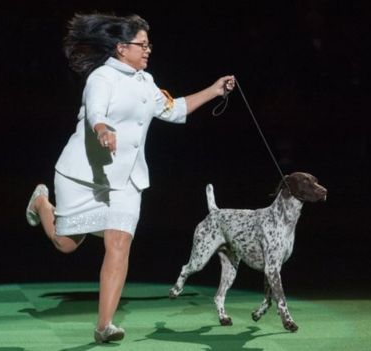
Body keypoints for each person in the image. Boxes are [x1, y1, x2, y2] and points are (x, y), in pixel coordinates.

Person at [24, 13, 235, 343]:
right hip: (85, 174)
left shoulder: (146, 82)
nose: (148, 50)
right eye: (143, 44)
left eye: (149, 44)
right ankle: (41, 202)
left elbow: (174, 110)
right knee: (65, 244)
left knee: (119, 243)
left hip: (127, 180)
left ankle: (103, 325)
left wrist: (213, 90)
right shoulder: (102, 77)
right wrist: (102, 128)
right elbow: (96, 111)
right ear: (122, 48)